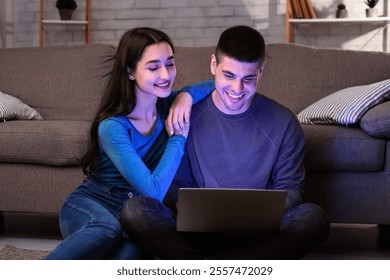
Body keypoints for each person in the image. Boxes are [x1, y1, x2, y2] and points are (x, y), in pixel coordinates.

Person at [120, 25, 330, 259]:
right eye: (228, 75)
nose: (237, 89)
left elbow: (291, 188)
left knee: (313, 218)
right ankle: (243, 265)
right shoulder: (184, 116)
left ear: (260, 72)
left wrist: (250, 216)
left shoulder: (284, 122)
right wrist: (201, 214)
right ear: (213, 65)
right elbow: (175, 185)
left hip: (259, 233)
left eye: (248, 79)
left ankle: (209, 266)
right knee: (135, 211)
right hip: (197, 233)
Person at [45, 27, 212, 260]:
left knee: (131, 257)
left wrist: (186, 94)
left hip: (134, 213)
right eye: (153, 67)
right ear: (130, 71)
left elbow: (216, 84)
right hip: (92, 205)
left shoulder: (169, 104)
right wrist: (178, 137)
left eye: (170, 64)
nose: (166, 75)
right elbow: (153, 191)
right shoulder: (113, 126)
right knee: (106, 229)